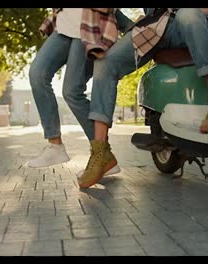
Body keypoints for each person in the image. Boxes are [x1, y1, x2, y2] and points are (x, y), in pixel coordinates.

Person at [78, 8, 208, 188]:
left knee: (189, 14)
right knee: (105, 63)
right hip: (155, 25)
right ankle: (100, 152)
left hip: (190, 22)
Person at [27, 8, 133, 172]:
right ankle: (55, 146)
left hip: (89, 28)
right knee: (37, 74)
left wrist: (128, 24)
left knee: (71, 92)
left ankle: (103, 155)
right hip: (63, 25)